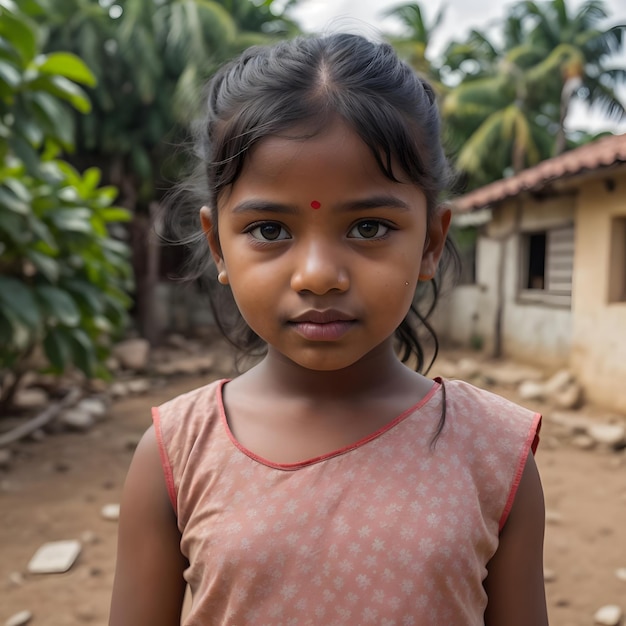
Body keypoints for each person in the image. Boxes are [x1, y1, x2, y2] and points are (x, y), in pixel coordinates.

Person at [109, 33, 548, 626]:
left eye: (368, 227)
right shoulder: (175, 455)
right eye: (269, 230)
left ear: (431, 242)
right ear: (217, 244)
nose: (318, 276)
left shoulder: (496, 453)